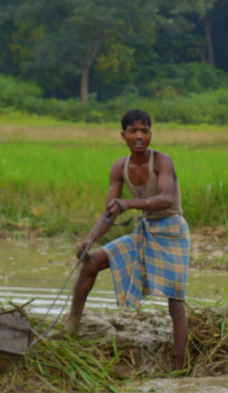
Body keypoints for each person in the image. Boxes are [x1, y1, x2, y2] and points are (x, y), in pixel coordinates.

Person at [67, 110, 192, 368]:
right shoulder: (119, 167)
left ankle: (180, 368)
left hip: (171, 231)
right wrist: (89, 239)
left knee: (176, 302)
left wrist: (128, 204)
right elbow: (110, 212)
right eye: (133, 131)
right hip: (145, 230)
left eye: (144, 130)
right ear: (123, 135)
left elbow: (166, 199)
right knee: (90, 263)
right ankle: (71, 331)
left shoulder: (161, 161)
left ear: (150, 134)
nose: (139, 136)